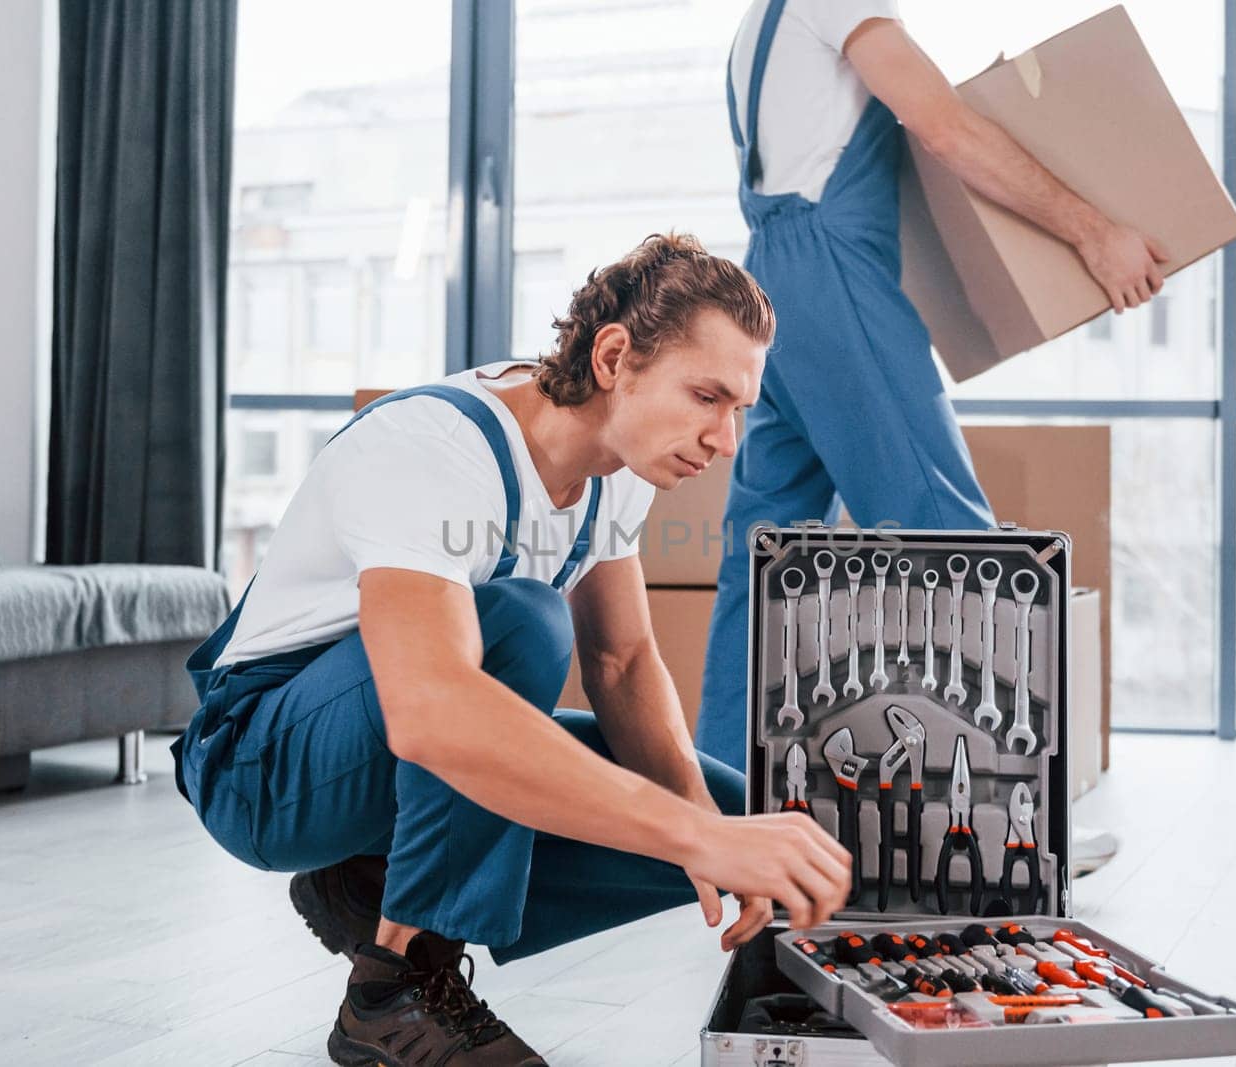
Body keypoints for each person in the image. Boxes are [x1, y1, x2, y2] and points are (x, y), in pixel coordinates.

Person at [171, 234, 852, 1067]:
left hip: (374, 750)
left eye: (740, 406)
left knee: (729, 804)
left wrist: (711, 834)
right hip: (260, 766)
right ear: (614, 356)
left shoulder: (621, 467)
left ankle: (366, 885)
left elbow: (623, 664)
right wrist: (692, 836)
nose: (727, 438)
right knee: (522, 625)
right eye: (707, 396)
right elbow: (431, 711)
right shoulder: (436, 448)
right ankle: (394, 991)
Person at [696, 0, 1171, 767]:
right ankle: (1011, 829)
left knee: (763, 568)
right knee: (951, 540)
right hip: (834, 280)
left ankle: (720, 815)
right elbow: (943, 125)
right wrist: (1095, 233)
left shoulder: (761, 23)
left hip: (773, 287)